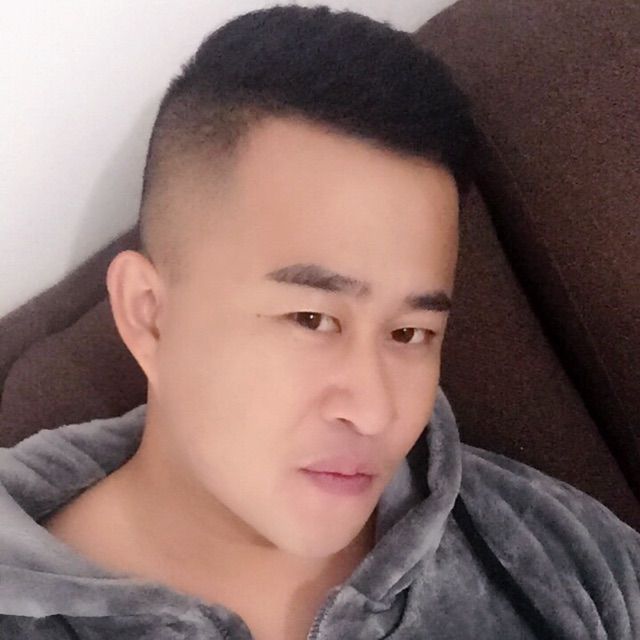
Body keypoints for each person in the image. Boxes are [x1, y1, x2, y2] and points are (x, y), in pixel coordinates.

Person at [0, 4, 638, 639]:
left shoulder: (561, 556)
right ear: (150, 315)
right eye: (312, 318)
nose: (374, 412)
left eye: (409, 333)